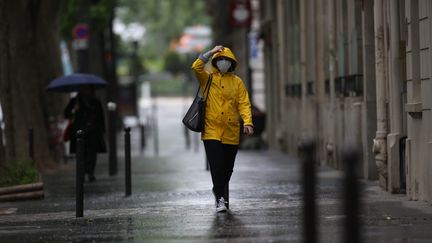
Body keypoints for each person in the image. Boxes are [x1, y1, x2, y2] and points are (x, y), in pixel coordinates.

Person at [192, 45, 254, 213]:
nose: (223, 62)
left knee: (228, 168)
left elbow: (244, 104)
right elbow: (196, 66)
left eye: (226, 60)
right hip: (211, 130)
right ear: (215, 62)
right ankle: (220, 198)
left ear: (232, 62)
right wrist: (211, 52)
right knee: (216, 165)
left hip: (231, 131)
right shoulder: (208, 79)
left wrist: (248, 122)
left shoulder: (237, 82)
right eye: (219, 60)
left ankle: (217, 188)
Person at [64, 85, 106, 182]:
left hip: (93, 132)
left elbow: (100, 117)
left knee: (92, 153)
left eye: (88, 88)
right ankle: (82, 172)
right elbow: (66, 113)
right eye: (84, 88)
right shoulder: (75, 101)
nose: (86, 90)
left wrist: (102, 130)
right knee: (80, 153)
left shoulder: (95, 101)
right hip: (79, 132)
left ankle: (90, 172)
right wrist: (74, 110)